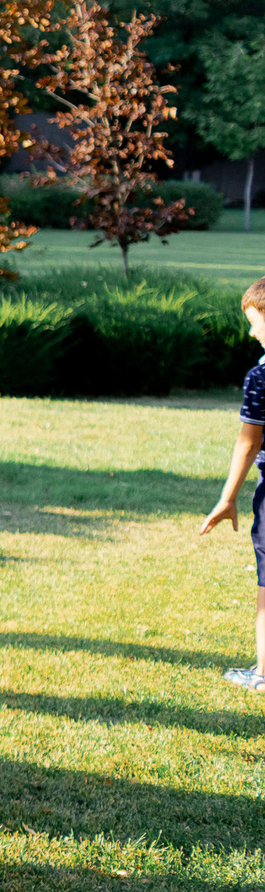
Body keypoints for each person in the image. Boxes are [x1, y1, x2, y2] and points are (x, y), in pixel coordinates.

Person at [195, 277, 265, 691]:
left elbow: (250, 440)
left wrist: (227, 498)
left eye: (256, 322)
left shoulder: (261, 376)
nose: (252, 332)